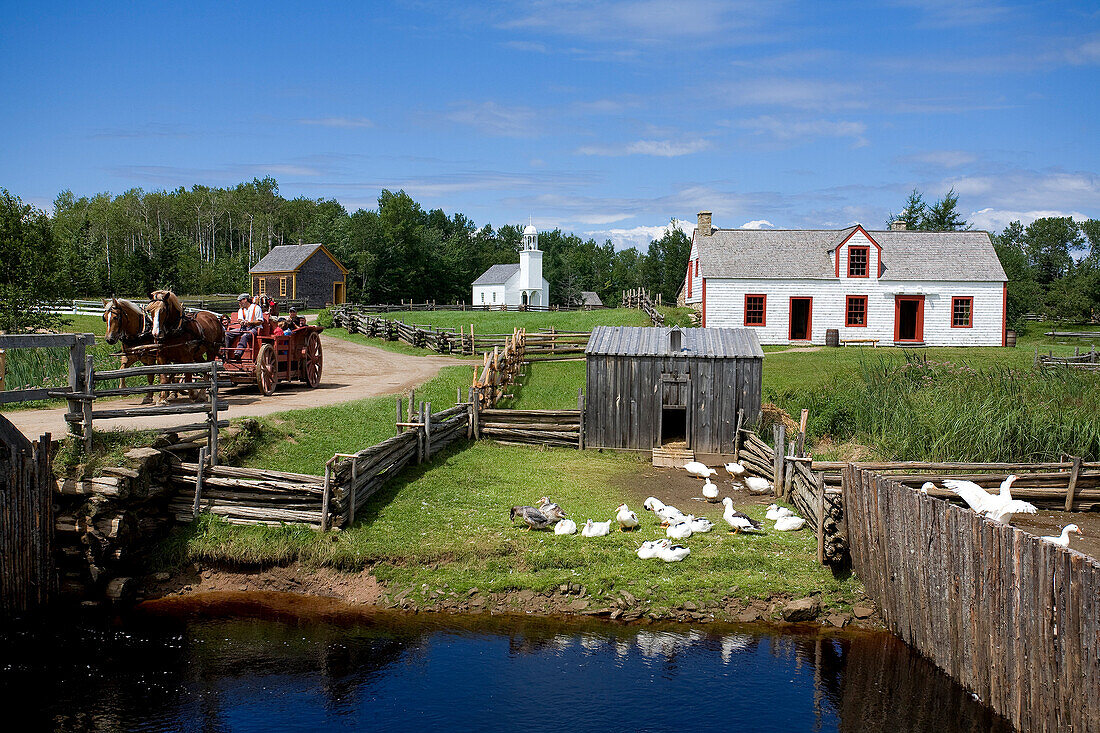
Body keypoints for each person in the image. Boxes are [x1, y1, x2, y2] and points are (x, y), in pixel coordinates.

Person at [224, 293, 263, 359]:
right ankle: (226, 352)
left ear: (245, 300)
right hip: (244, 328)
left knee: (245, 335)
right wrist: (241, 322)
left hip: (255, 328)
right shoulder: (241, 310)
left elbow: (260, 321)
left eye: (240, 301)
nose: (239, 303)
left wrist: (250, 323)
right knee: (227, 333)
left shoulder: (256, 308)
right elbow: (239, 319)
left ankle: (238, 353)